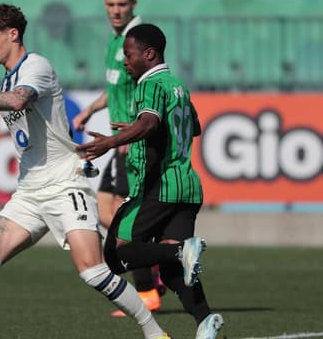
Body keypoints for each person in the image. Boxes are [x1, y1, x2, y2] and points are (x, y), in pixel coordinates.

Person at [0, 4, 171, 339]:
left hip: (65, 185)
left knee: (93, 271)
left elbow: (17, 101)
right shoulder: (8, 77)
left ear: (13, 34)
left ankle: (155, 333)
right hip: (29, 192)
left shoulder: (35, 66)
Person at [77, 23, 224, 339]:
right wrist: (142, 125)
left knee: (115, 256)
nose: (125, 62)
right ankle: (206, 321)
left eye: (129, 55)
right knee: (176, 272)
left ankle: (180, 251)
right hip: (188, 187)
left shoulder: (149, 84)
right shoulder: (177, 86)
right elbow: (194, 126)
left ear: (149, 53)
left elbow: (149, 124)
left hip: (158, 186)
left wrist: (111, 141)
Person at [71, 0, 165, 315]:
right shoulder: (115, 42)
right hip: (120, 143)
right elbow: (114, 89)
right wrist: (90, 109)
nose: (115, 11)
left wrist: (136, 132)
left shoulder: (137, 41)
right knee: (105, 212)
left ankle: (148, 289)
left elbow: (150, 88)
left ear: (133, 5)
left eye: (122, 5)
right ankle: (152, 264)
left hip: (132, 144)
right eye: (110, 5)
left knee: (124, 221)